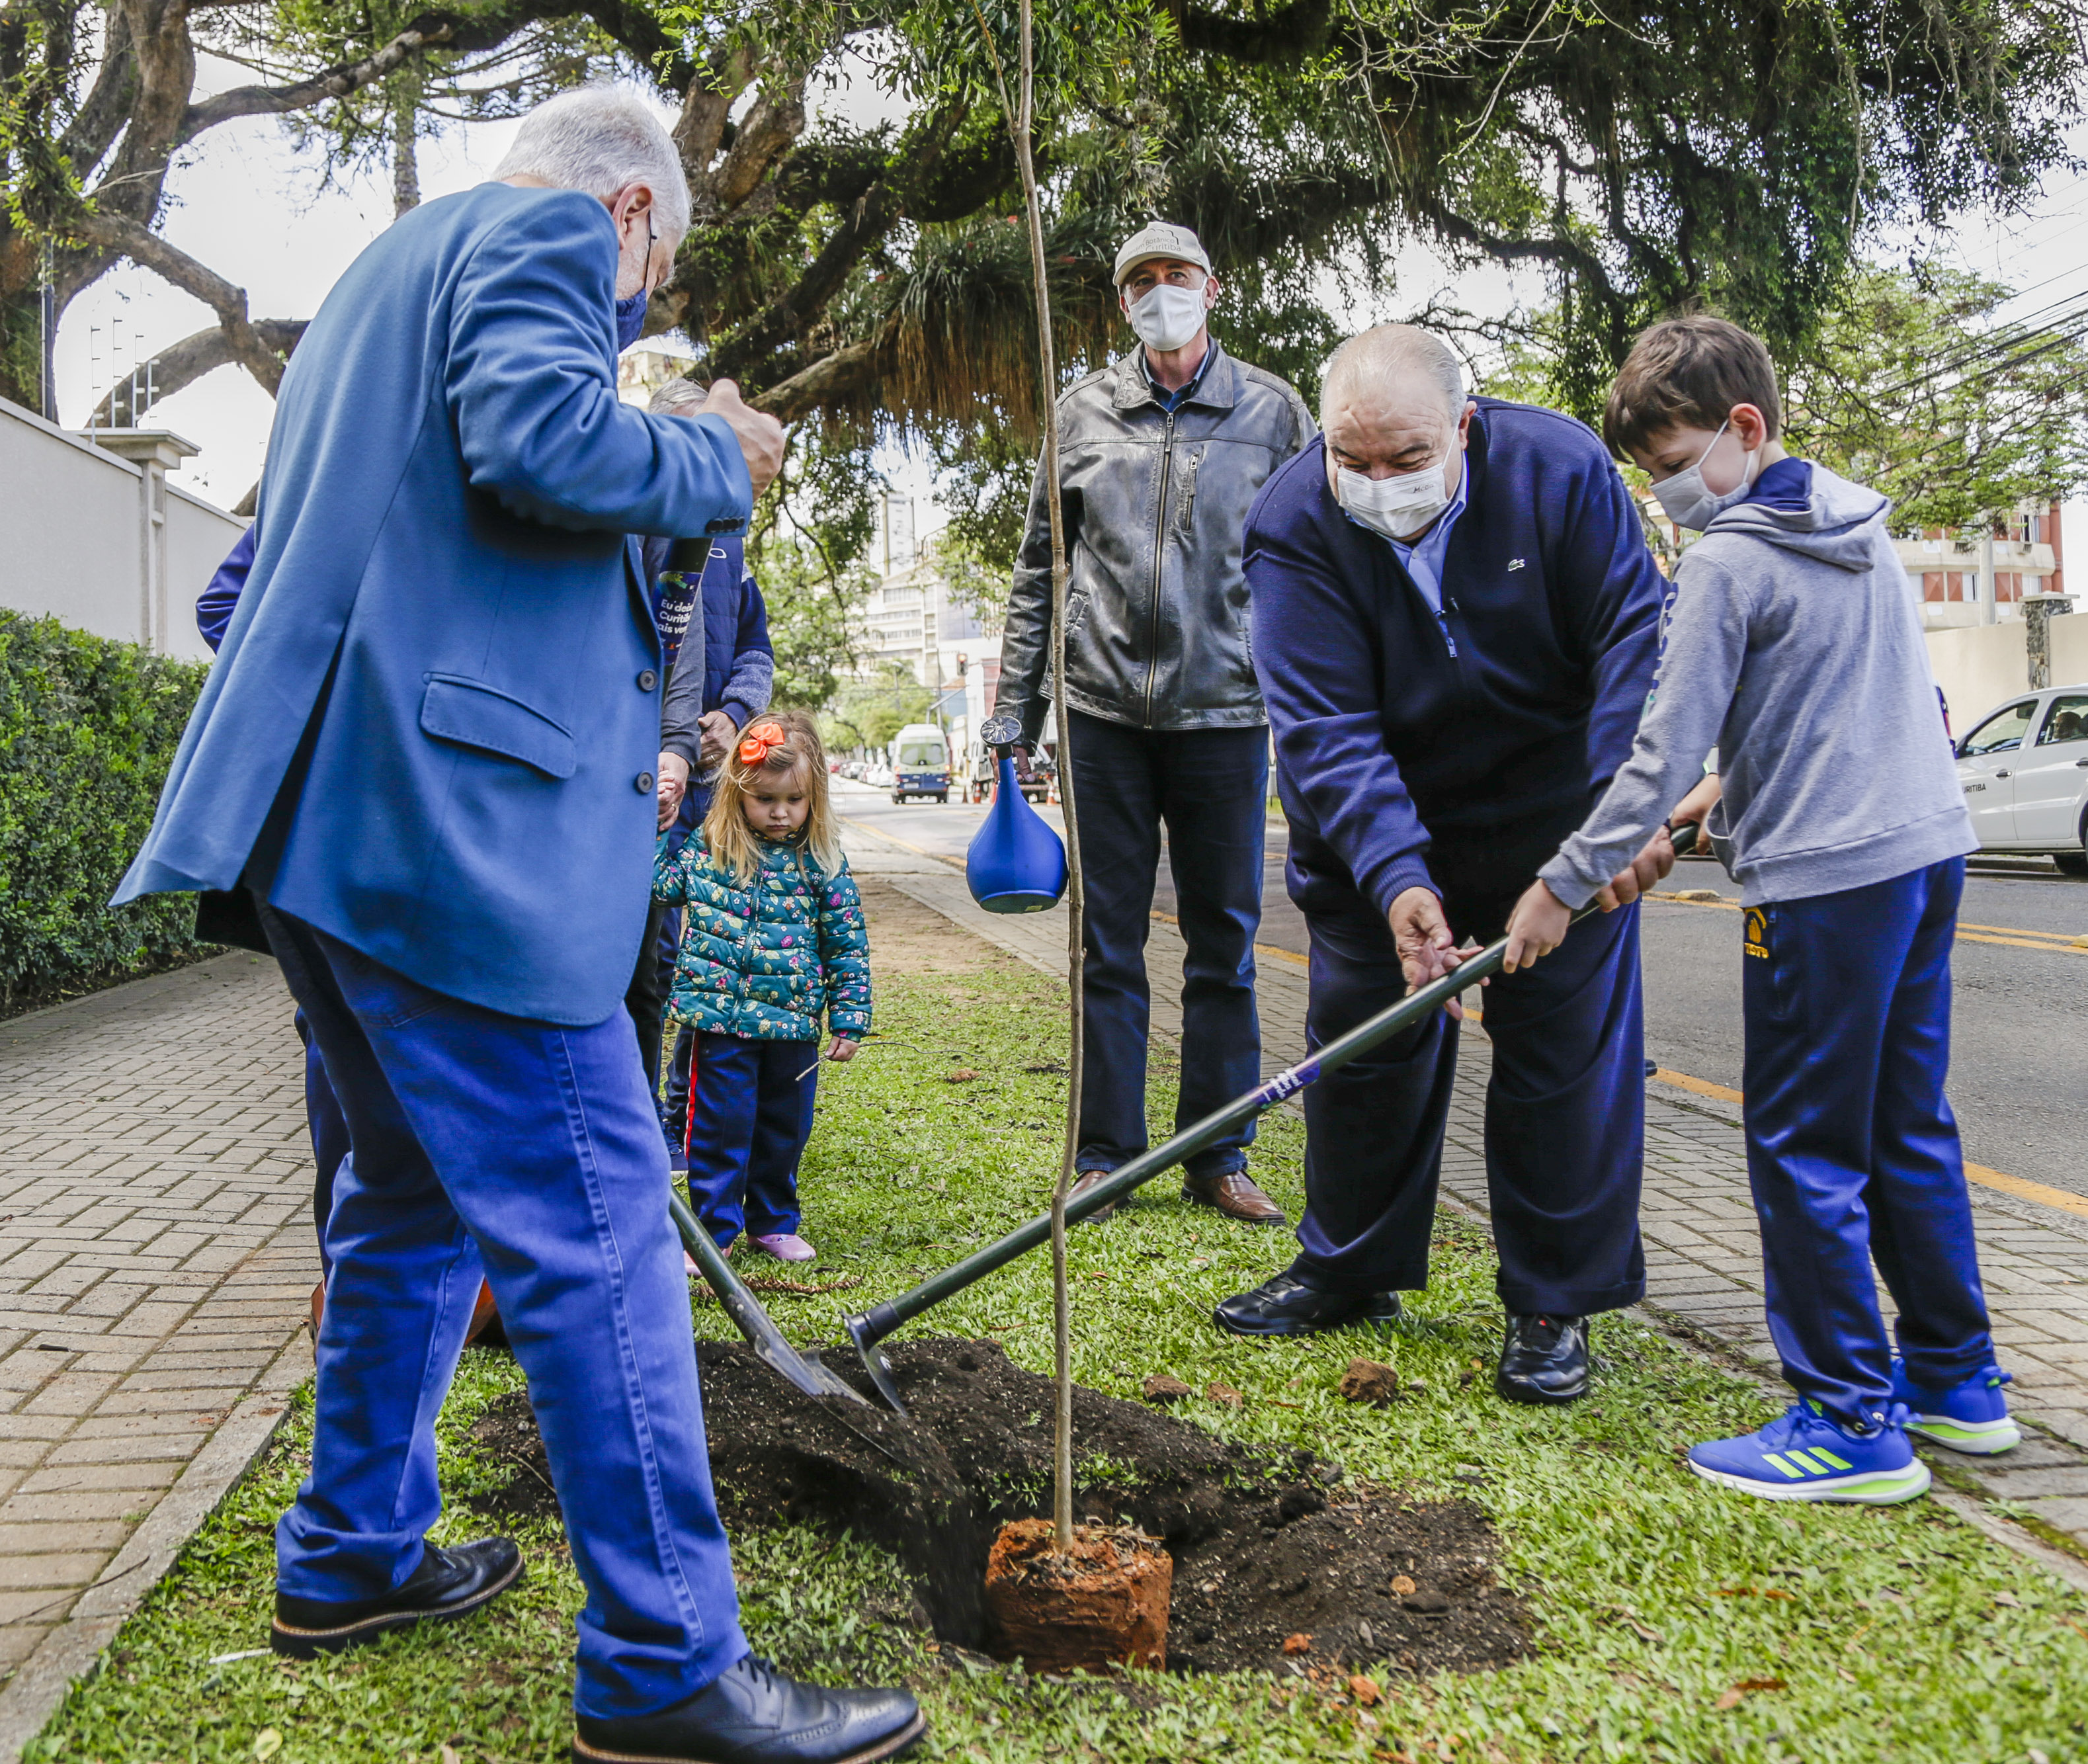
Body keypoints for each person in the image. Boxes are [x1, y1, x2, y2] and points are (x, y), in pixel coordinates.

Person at [111, 87, 922, 1764]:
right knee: (600, 1225)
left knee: (402, 1198)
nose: (633, 301)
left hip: (324, 826)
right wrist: (721, 452)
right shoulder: (548, 228)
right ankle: (664, 1664)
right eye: (654, 272)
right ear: (632, 217)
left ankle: (348, 1559)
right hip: (440, 831)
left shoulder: (376, 281)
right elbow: (537, 444)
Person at [1505, 315, 2013, 1501]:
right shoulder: (1855, 519)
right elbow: (1822, 713)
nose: (1665, 494)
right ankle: (1956, 1381)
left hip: (1826, 885)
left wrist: (1556, 886)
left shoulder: (1730, 557)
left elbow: (1655, 749)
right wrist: (1701, 812)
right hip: (1923, 855)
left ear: (1742, 429)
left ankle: (1848, 1421)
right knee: (1905, 1128)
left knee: (1802, 1147)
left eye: (1671, 464)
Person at [1232, 323, 1673, 1406]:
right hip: (1378, 824)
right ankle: (1349, 1265)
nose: (1377, 482)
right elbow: (1324, 728)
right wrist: (1395, 877)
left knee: (1563, 1061)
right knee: (1365, 1045)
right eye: (1354, 460)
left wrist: (1616, 826)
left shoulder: (1562, 470)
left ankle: (1551, 1301)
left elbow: (1635, 646)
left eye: (1406, 458)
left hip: (1554, 819)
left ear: (1465, 427)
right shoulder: (1291, 524)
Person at [990, 220, 1316, 1227]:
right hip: (1101, 717)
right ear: (1122, 302)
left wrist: (1309, 700)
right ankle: (1105, 1153)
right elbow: (1043, 565)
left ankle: (1219, 1152)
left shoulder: (1272, 410)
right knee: (1108, 941)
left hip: (1227, 712)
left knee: (1226, 938)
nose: (1161, 292)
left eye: (1179, 275)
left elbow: (1313, 565)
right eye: (1143, 281)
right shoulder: (1082, 410)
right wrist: (1015, 709)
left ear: (1212, 290)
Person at [193, 530, 505, 1351]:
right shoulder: (338, 469)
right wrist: (367, 701)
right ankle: (349, 1280)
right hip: (342, 826)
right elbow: (223, 606)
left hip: (454, 827)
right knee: (342, 1058)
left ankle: (456, 1277)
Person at [624, 378, 778, 1152]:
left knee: (710, 952)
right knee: (648, 957)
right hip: (645, 770)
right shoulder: (634, 516)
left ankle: (687, 1124)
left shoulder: (729, 539)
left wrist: (732, 715)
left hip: (710, 780)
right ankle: (644, 1122)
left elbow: (755, 647)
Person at [655, 712, 870, 1261]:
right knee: (719, 1129)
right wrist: (655, 831)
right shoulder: (711, 848)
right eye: (766, 799)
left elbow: (846, 940)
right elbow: (659, 887)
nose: (780, 813)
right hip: (720, 1021)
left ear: (814, 797)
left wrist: (849, 1014)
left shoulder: (821, 861)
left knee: (784, 1127)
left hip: (794, 1024)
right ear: (737, 793)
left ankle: (773, 1220)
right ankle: (712, 1229)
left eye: (794, 800)